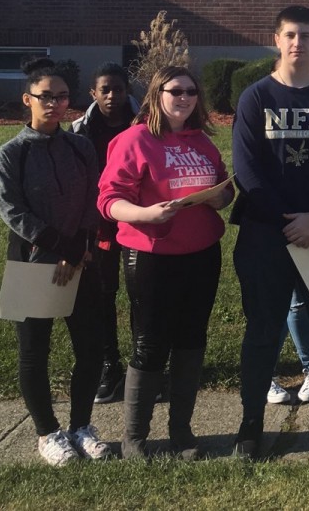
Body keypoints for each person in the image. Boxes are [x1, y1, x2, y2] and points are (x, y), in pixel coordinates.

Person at [230, 5, 309, 457]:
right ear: (277, 39)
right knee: (263, 331)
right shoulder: (255, 99)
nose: (298, 43)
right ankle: (250, 426)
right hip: (267, 234)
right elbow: (247, 173)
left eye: (306, 35)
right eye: (290, 34)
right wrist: (291, 221)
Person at [97, 65, 234, 460]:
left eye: (192, 92)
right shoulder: (135, 140)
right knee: (150, 344)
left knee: (192, 340)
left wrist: (217, 198)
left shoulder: (202, 143)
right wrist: (145, 214)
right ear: (158, 94)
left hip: (202, 254)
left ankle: (181, 431)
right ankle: (135, 437)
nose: (185, 98)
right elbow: (109, 200)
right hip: (152, 255)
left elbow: (225, 193)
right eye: (176, 91)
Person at [0, 57, 111, 466]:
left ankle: (81, 426)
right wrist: (62, 248)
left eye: (63, 97)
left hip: (81, 261)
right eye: (47, 97)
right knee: (34, 352)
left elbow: (93, 199)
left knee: (90, 347)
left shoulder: (79, 147)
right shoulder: (11, 154)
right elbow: (13, 210)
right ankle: (47, 432)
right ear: (28, 99)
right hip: (34, 264)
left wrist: (78, 250)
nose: (56, 104)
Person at [70, 62, 139, 405]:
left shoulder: (145, 125)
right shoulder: (78, 131)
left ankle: (146, 366)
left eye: (119, 89)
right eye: (105, 90)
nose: (112, 96)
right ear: (93, 94)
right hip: (100, 227)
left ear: (129, 92)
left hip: (140, 223)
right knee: (103, 296)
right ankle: (110, 366)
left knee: (143, 296)